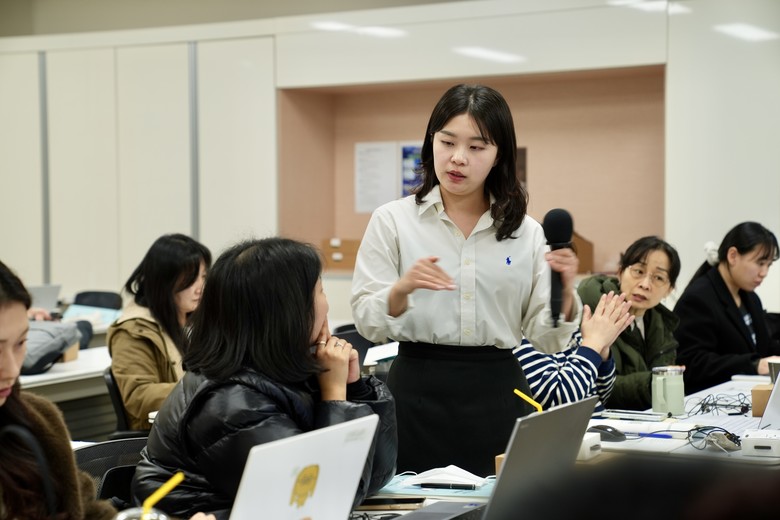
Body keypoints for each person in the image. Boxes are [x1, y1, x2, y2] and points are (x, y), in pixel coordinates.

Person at [351, 84, 582, 476]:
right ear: (431, 143)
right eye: (447, 142)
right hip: (417, 391)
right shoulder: (392, 220)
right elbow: (366, 323)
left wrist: (565, 293)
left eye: (477, 147)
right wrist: (400, 290)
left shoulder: (526, 232)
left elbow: (549, 339)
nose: (457, 158)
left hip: (498, 392)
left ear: (499, 156)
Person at [132, 238, 397, 519]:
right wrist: (335, 397)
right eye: (320, 291)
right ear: (287, 312)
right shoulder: (229, 404)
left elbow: (378, 474)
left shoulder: (284, 368)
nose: (327, 305)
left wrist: (353, 387)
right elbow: (321, 500)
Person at [107, 233, 211, 430]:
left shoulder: (193, 322)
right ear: (164, 281)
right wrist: (205, 388)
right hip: (161, 436)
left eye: (203, 277)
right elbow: (139, 397)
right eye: (190, 279)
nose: (200, 288)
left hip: (192, 426)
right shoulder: (134, 331)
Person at [577, 236, 682, 410]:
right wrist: (654, 383)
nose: (645, 285)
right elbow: (596, 388)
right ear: (620, 272)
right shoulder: (593, 311)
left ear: (669, 290)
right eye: (639, 272)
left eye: (658, 278)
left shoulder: (661, 325)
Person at [675, 222, 780, 393]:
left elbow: (764, 347)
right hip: (710, 400)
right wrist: (753, 365)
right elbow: (692, 363)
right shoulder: (698, 298)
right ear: (733, 256)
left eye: (768, 265)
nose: (764, 272)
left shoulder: (751, 298)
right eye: (760, 263)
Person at [515, 292, 633, 413]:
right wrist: (593, 345)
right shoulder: (518, 338)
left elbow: (602, 395)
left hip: (598, 423)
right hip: (570, 429)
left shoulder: (570, 328)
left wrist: (603, 350)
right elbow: (558, 403)